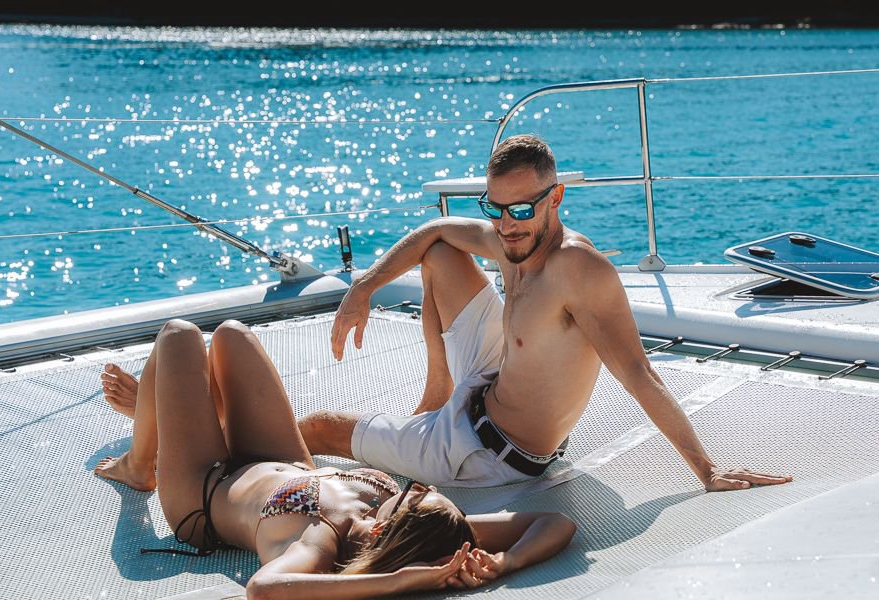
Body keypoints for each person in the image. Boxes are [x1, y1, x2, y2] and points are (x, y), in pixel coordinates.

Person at [298, 134, 794, 491]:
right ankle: (436, 395)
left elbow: (639, 372)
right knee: (442, 253)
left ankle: (254, 473)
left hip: (487, 452)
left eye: (521, 210)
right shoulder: (507, 238)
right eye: (495, 209)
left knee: (318, 428)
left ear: (555, 198)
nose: (507, 226)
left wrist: (706, 470)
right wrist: (363, 286)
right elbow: (438, 229)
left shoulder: (576, 269)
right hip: (487, 381)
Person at [94, 318, 576, 598]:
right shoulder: (441, 530)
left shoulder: (322, 541)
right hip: (280, 460)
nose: (422, 489)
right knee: (230, 335)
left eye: (415, 498)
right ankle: (178, 411)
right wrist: (506, 562)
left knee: (178, 336)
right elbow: (553, 522)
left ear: (389, 532)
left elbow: (264, 590)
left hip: (203, 491)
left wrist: (398, 581)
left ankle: (143, 457)